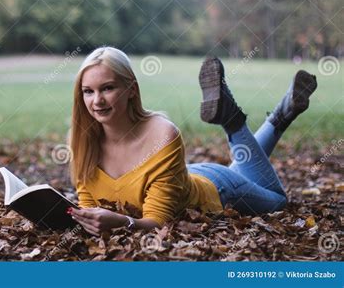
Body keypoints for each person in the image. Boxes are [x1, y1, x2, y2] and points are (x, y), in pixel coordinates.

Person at [68, 47, 317, 236]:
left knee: (278, 200)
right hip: (181, 177)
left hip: (217, 190)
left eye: (107, 88)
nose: (97, 100)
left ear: (132, 89)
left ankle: (234, 122)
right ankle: (282, 114)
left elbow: (158, 222)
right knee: (242, 168)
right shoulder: (82, 140)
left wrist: (123, 223)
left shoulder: (161, 134)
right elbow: (89, 204)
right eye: (88, 91)